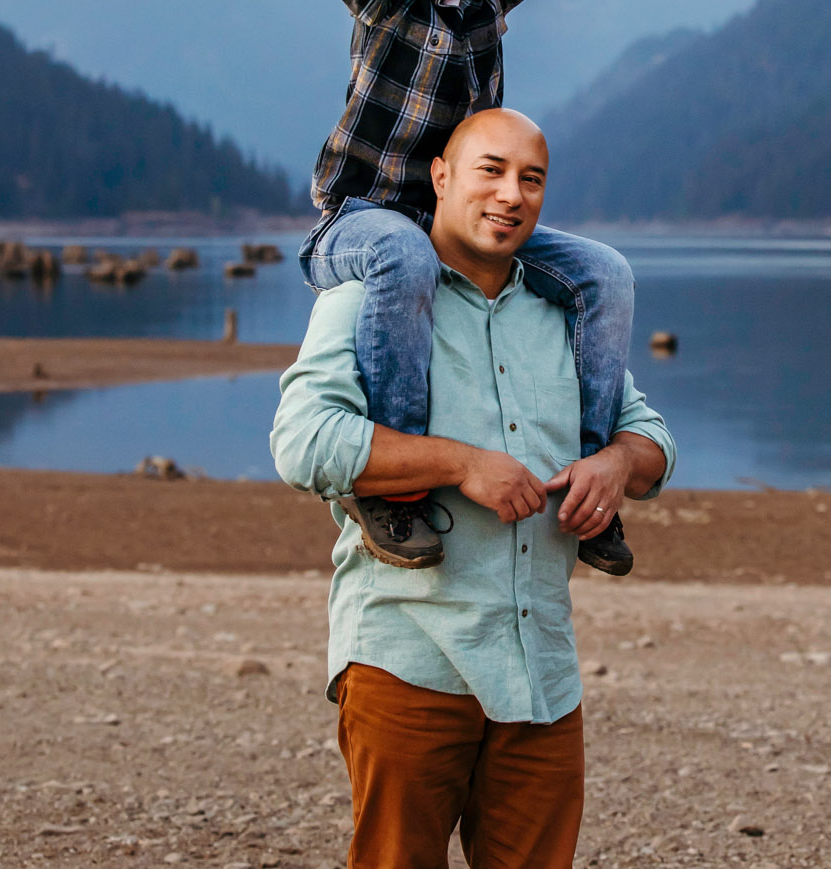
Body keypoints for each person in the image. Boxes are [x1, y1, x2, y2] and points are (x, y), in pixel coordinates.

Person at [296, 0, 685, 576]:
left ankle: (587, 486)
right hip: (360, 221)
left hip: (459, 223)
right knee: (399, 250)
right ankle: (393, 489)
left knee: (604, 273)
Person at [272, 108, 675, 869]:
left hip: (542, 673)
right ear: (442, 176)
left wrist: (616, 464)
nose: (511, 195)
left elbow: (650, 435)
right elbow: (302, 442)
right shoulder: (366, 298)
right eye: (490, 169)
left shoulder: (569, 313)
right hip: (409, 660)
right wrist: (459, 463)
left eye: (531, 178)